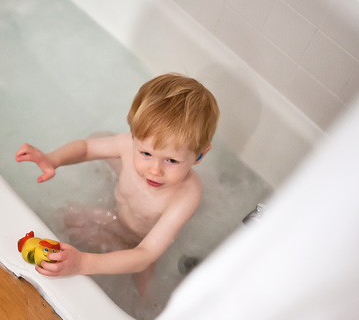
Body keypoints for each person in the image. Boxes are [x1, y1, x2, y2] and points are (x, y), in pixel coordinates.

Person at [15, 73, 219, 291]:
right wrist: (53, 159)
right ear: (133, 136)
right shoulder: (127, 145)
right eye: (146, 153)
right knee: (66, 217)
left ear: (200, 155)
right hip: (116, 217)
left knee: (141, 279)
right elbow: (87, 147)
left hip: (139, 244)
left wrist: (83, 263)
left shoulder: (186, 195)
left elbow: (146, 253)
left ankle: (141, 295)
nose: (154, 170)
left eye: (171, 160)